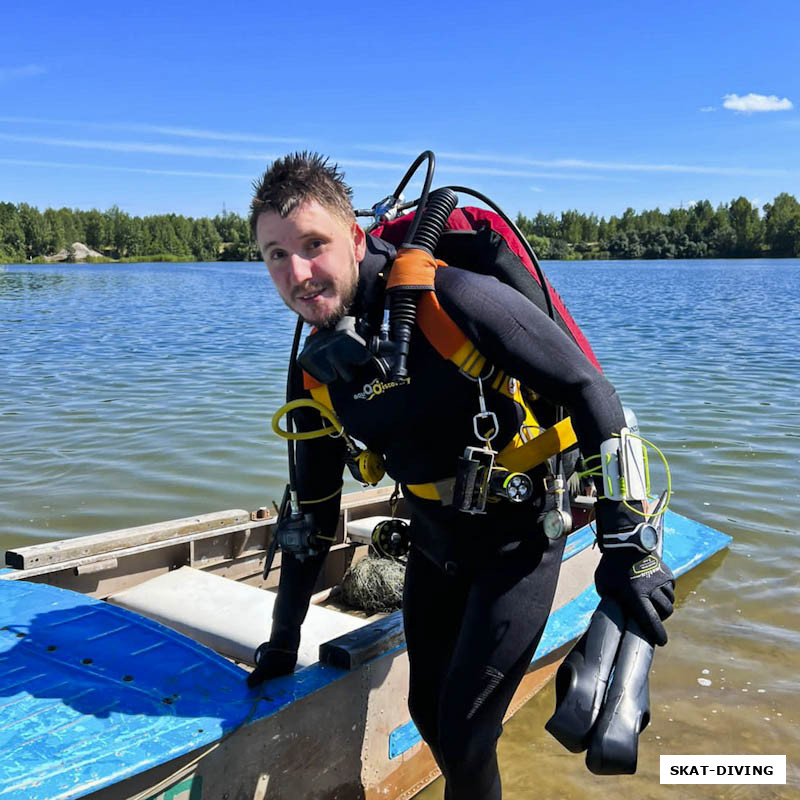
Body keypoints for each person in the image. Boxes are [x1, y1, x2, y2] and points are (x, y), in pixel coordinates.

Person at [245, 152, 675, 800]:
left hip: (518, 540)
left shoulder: (451, 301)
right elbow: (311, 512)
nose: (298, 273)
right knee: (428, 716)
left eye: (313, 244)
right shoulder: (317, 370)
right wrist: (282, 641)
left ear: (356, 238)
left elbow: (593, 393)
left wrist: (627, 544)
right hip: (435, 544)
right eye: (276, 255)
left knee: (466, 733)